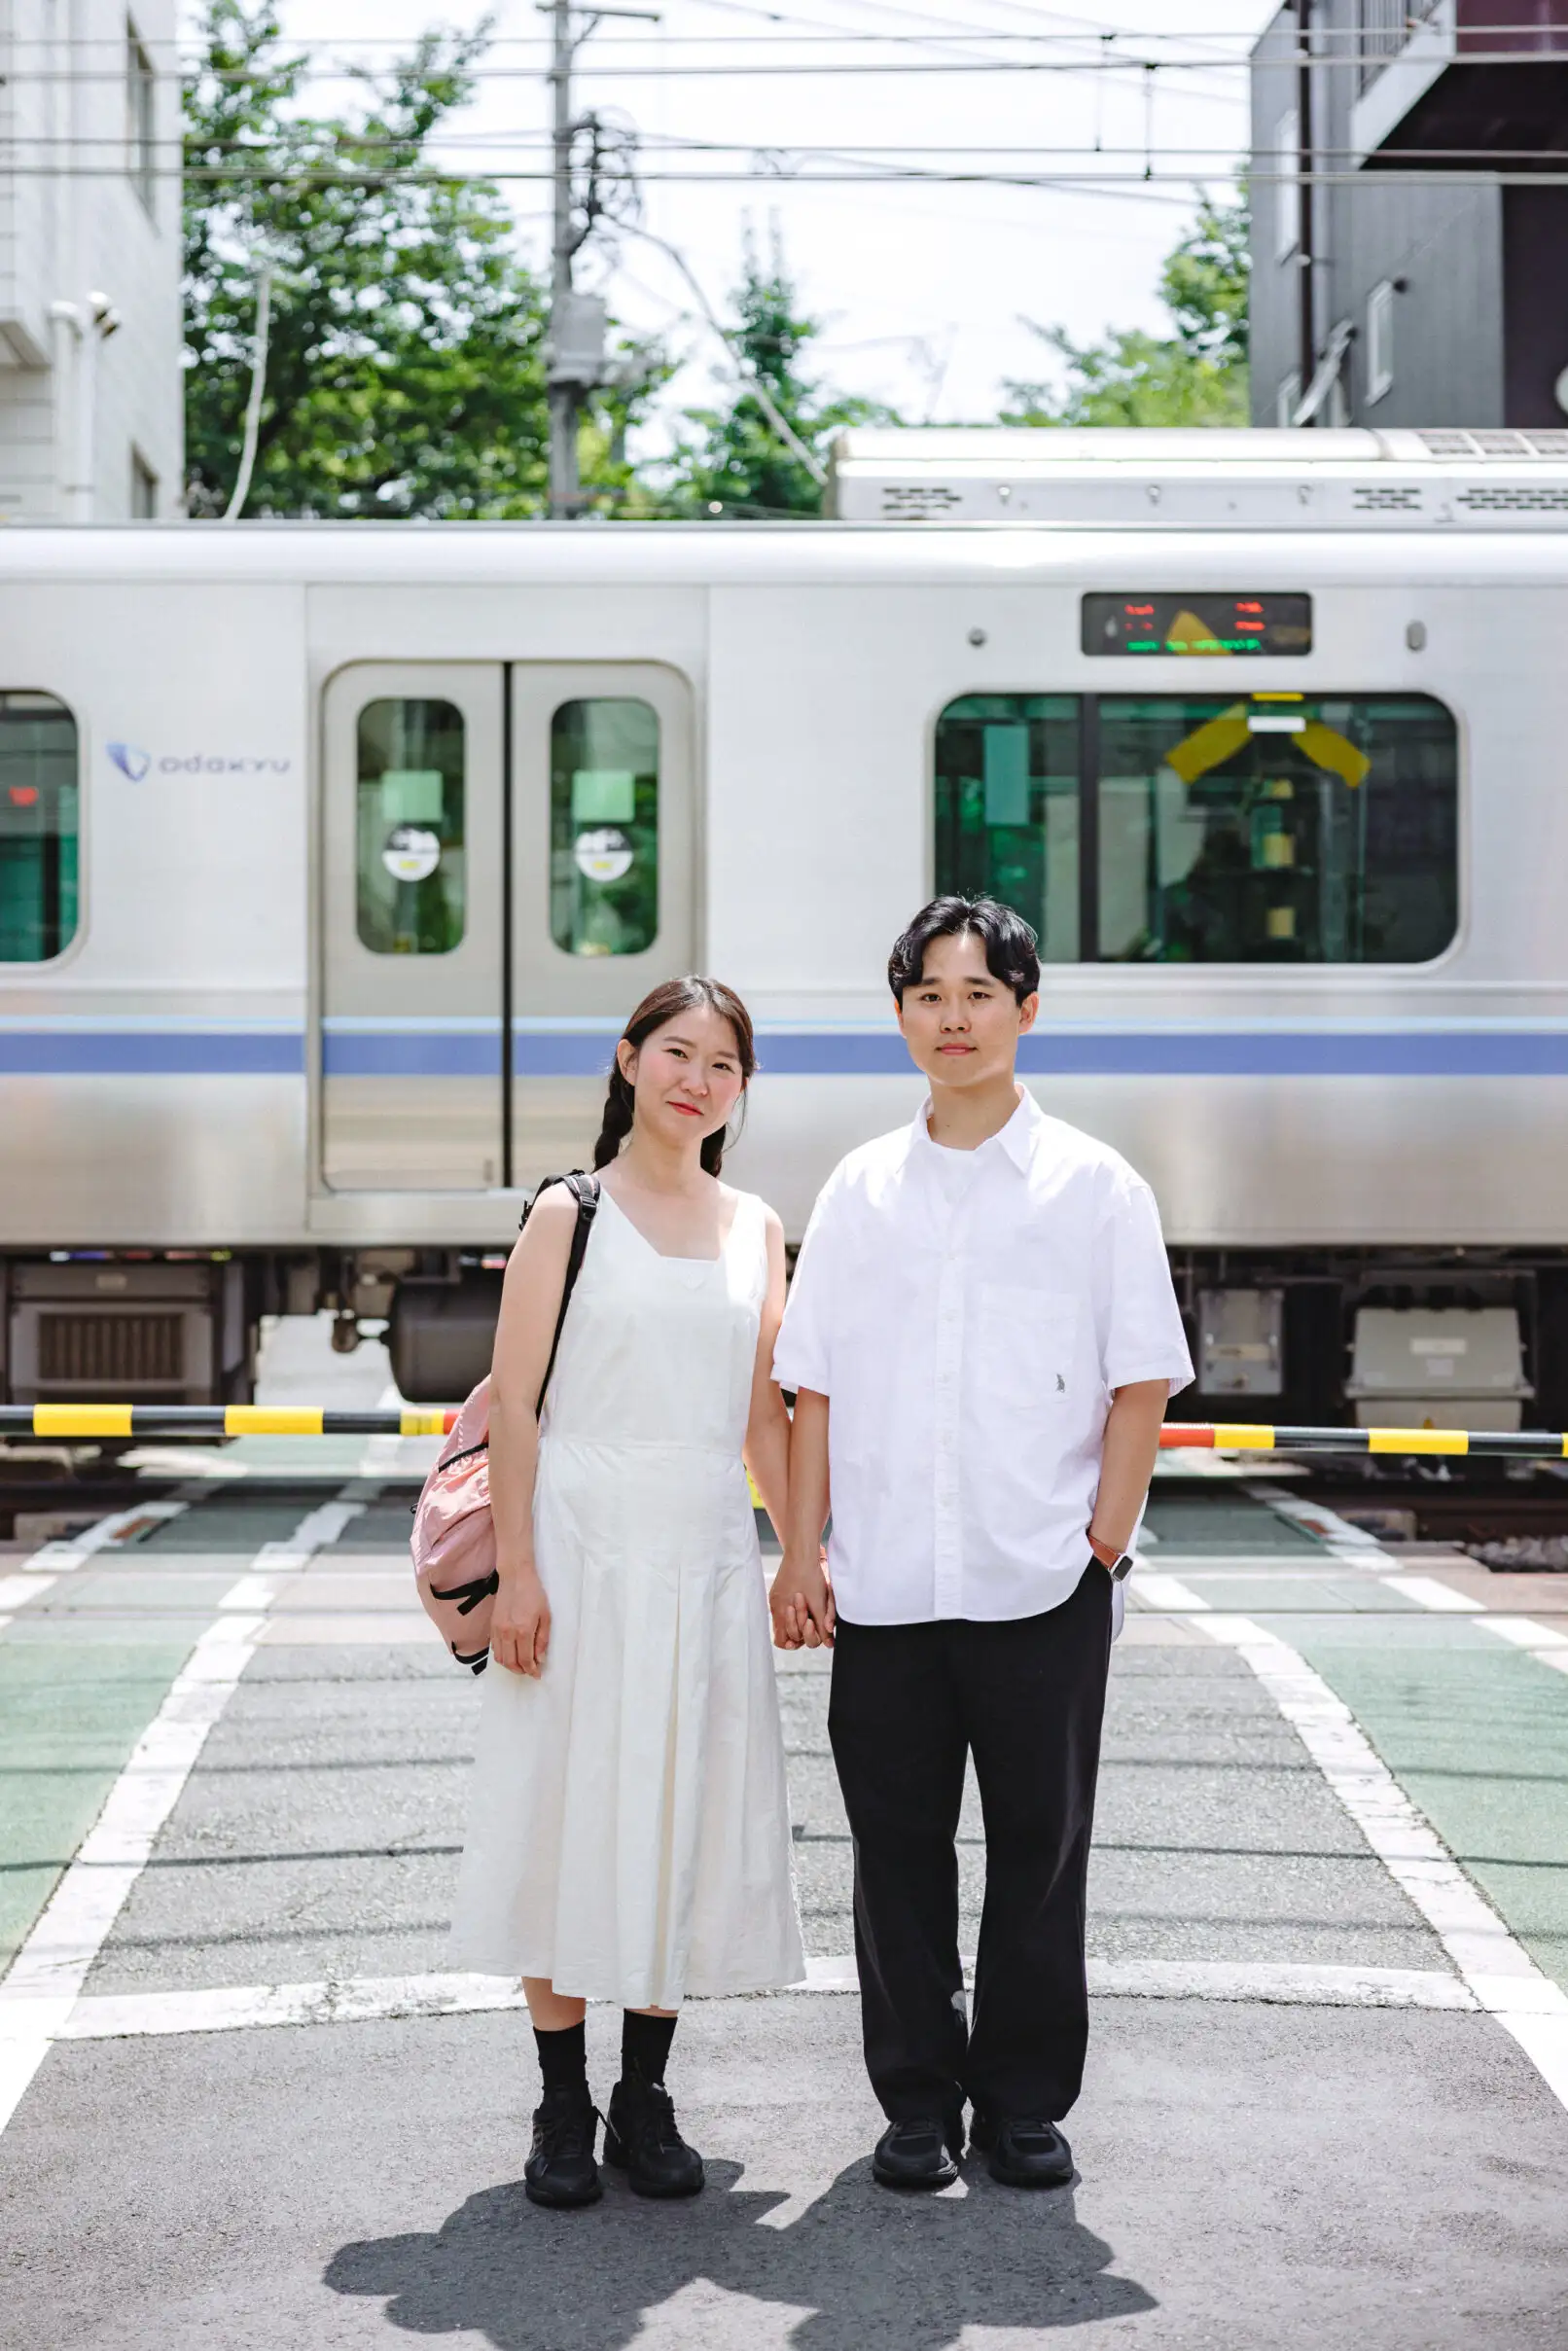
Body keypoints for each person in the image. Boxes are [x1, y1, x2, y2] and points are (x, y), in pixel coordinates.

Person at [769, 895, 1193, 2193]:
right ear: (900, 1014)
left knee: (1038, 1855)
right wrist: (802, 1553)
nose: (953, 1020)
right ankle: (913, 2101)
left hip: (1040, 1584)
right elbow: (815, 1391)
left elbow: (1142, 1385)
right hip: (887, 1586)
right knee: (895, 1860)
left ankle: (1020, 2101)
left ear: (1026, 1008)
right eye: (928, 996)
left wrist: (1100, 1552)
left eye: (978, 994)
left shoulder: (1094, 1186)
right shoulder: (860, 1189)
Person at [449, 977, 804, 2211]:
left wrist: (798, 1555)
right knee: (564, 1807)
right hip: (579, 1540)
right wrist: (523, 1573)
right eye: (674, 1052)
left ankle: (645, 2097)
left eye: (721, 1063)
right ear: (628, 1060)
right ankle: (561, 2104)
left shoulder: (757, 1224)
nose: (695, 1078)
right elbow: (515, 1402)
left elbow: (764, 1415)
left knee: (677, 1808)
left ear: (740, 1089)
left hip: (703, 1544)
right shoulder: (569, 1210)